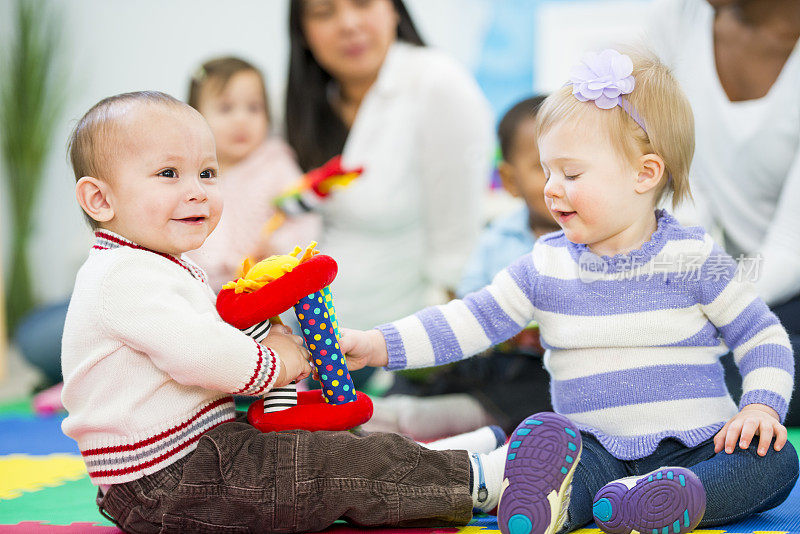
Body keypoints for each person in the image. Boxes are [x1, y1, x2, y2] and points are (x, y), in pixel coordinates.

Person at [339, 49, 798, 534]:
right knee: (573, 469)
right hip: (593, 446)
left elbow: (762, 336)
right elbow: (465, 321)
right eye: (548, 171)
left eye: (572, 174)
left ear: (645, 174)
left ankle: (665, 499)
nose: (551, 189)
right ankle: (555, 503)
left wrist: (761, 406)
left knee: (774, 459)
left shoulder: (693, 258)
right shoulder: (544, 264)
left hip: (700, 445)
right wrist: (378, 344)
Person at [61, 90, 521, 533]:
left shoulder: (156, 264)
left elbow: (206, 337)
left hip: (192, 460)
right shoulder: (125, 276)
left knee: (312, 445)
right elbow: (200, 354)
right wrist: (280, 361)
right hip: (167, 483)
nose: (198, 191)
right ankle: (474, 480)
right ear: (101, 200)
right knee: (326, 469)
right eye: (168, 174)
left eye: (207, 172)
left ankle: (436, 461)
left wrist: (264, 331)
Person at [284, 0, 494, 344]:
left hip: (393, 345)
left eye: (363, 3)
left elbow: (458, 245)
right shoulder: (308, 103)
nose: (348, 24)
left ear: (395, 9)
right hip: (305, 335)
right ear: (303, 33)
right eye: (324, 13)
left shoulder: (436, 82)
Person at [646, 0, 800, 423]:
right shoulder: (678, 21)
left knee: (744, 370)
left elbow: (791, 248)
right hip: (715, 277)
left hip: (782, 291)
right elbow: (676, 187)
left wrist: (702, 313)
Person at [368, 96, 557, 439]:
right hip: (493, 355)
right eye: (542, 169)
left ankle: (464, 416)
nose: (559, 184)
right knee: (438, 360)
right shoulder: (498, 237)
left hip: (543, 368)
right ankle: (395, 410)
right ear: (510, 181)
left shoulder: (591, 243)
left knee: (546, 392)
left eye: (572, 169)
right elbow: (470, 298)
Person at [184, 56, 320, 292]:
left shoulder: (275, 163)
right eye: (226, 108)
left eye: (254, 107)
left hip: (264, 285)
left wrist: (278, 246)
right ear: (195, 117)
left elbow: (304, 216)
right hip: (202, 288)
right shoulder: (188, 172)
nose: (241, 119)